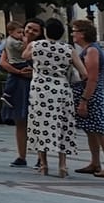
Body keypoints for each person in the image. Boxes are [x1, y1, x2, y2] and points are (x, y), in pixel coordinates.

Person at [26, 18, 81, 179]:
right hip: (62, 90)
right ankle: (62, 165)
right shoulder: (68, 49)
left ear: (45, 31)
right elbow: (83, 72)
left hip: (40, 89)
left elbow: (24, 55)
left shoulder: (36, 45)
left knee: (40, 124)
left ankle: (43, 164)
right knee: (63, 125)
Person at [72, 18, 104, 179]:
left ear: (83, 34)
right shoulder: (88, 49)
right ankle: (95, 163)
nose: (73, 34)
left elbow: (92, 78)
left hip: (92, 97)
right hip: (90, 96)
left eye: (75, 31)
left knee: (99, 130)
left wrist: (84, 101)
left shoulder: (92, 51)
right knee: (91, 130)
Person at [1, 20, 36, 166]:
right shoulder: (15, 43)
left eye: (35, 30)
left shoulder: (40, 45)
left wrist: (33, 72)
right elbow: (3, 62)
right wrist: (18, 72)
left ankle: (41, 157)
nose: (29, 32)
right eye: (28, 28)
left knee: (37, 121)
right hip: (19, 80)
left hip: (35, 84)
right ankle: (22, 156)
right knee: (20, 120)